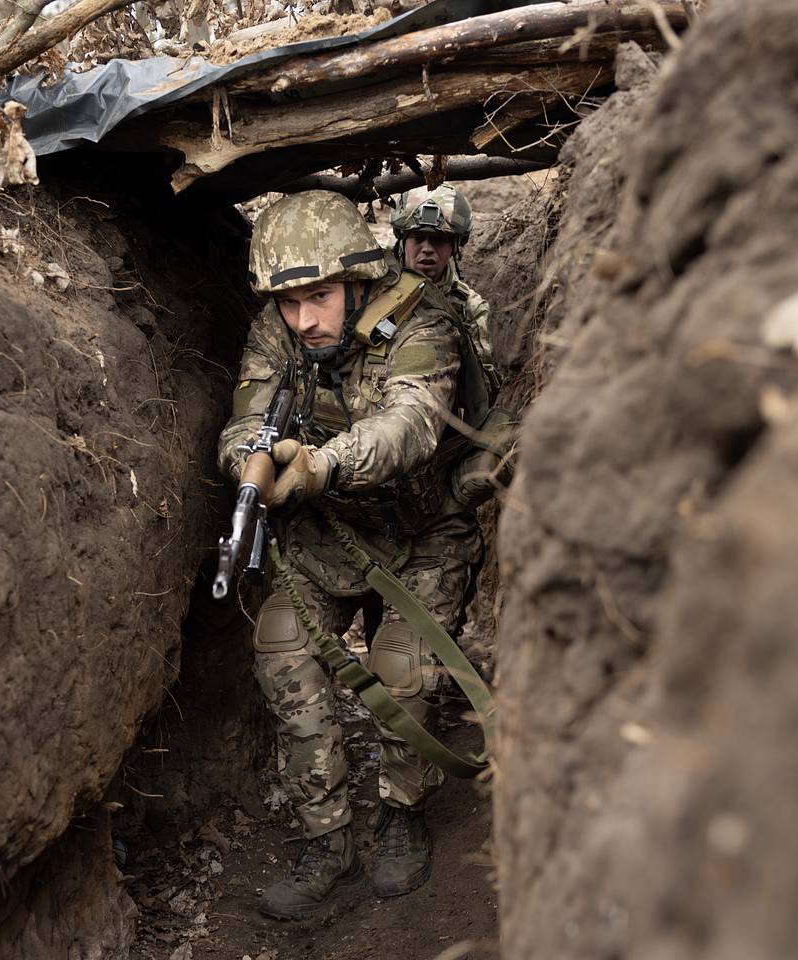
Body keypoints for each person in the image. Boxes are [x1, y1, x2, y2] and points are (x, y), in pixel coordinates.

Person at [218, 190, 482, 920]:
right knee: (283, 652)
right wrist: (253, 464)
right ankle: (326, 836)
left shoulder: (422, 316)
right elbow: (243, 417)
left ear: (358, 278)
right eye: (290, 302)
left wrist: (319, 465)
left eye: (321, 297)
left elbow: (412, 425)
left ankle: (401, 812)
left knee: (401, 669)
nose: (304, 319)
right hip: (326, 534)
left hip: (423, 529)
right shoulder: (277, 330)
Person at [390, 183, 498, 397]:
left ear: (455, 246)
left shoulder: (469, 308)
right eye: (418, 238)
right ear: (403, 241)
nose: (427, 249)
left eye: (439, 240)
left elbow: (481, 388)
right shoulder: (374, 286)